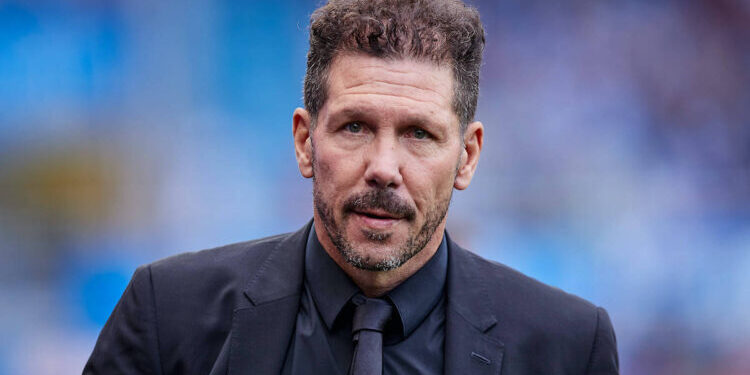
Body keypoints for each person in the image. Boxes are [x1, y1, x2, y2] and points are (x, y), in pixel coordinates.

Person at [84, 0, 619, 374]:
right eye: (355, 126)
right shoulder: (167, 315)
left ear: (467, 156)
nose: (384, 167)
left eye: (418, 133)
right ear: (304, 141)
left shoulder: (568, 345)